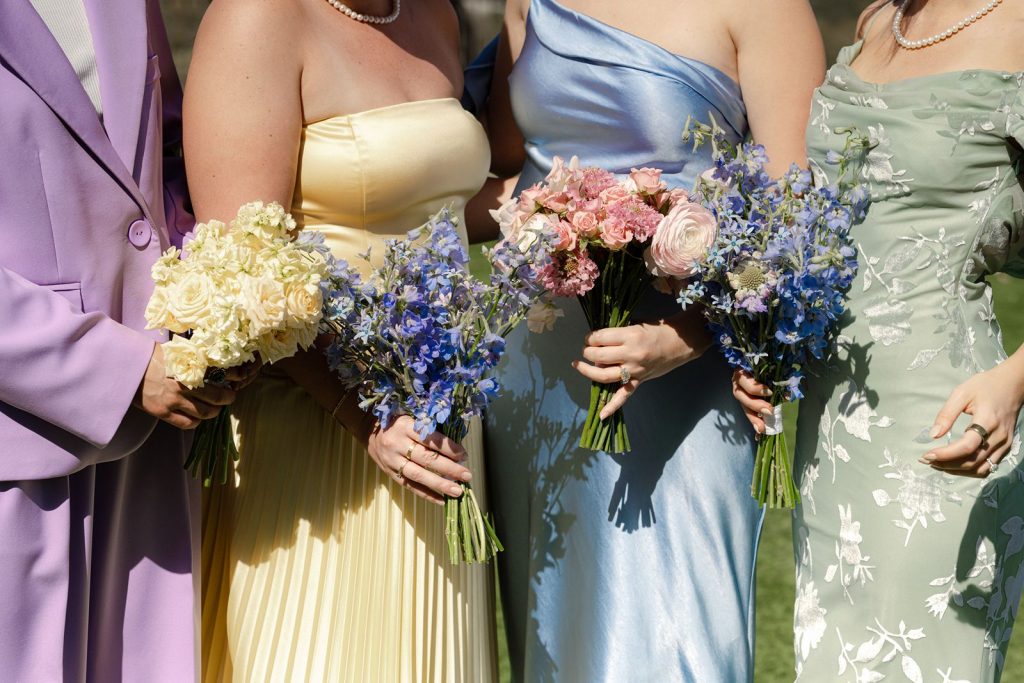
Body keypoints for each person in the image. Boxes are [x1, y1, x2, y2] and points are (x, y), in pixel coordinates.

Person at [467, 0, 824, 680]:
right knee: (554, 638)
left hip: (686, 377)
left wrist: (684, 337)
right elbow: (512, 173)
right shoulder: (527, 5)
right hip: (540, 372)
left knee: (672, 640)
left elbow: (793, 211)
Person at [185, 0, 497, 680]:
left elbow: (431, 196)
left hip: (440, 419)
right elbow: (245, 268)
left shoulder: (433, 14)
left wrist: (562, 209)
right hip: (317, 424)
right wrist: (369, 415)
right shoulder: (256, 18)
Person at [732, 0, 1024, 679]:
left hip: (947, 428)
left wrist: (1011, 384)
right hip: (833, 431)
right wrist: (772, 345)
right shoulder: (876, 22)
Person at [0, 0, 243, 679]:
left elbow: (167, 159)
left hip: (156, 438)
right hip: (23, 436)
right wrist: (120, 371)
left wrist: (213, 304)